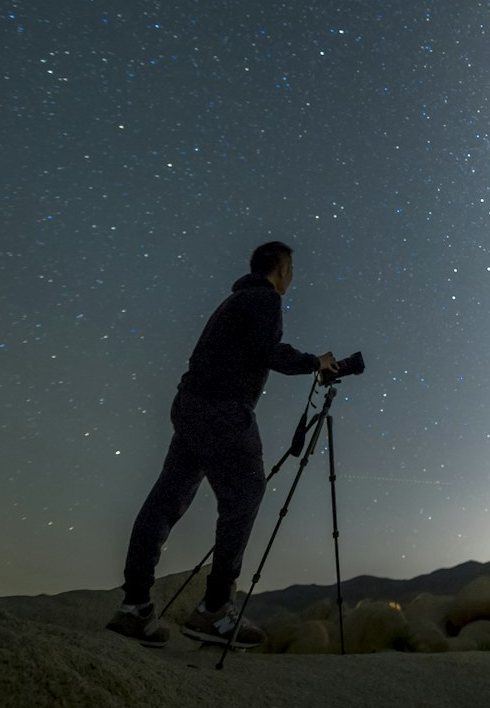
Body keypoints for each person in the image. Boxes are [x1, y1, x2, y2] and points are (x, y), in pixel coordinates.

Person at [106, 241, 340, 647]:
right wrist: (315, 363)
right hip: (223, 411)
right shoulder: (264, 301)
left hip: (191, 406)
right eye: (292, 270)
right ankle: (214, 609)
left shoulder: (231, 303)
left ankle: (135, 607)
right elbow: (271, 353)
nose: (292, 278)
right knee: (245, 493)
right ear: (281, 269)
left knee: (166, 500)